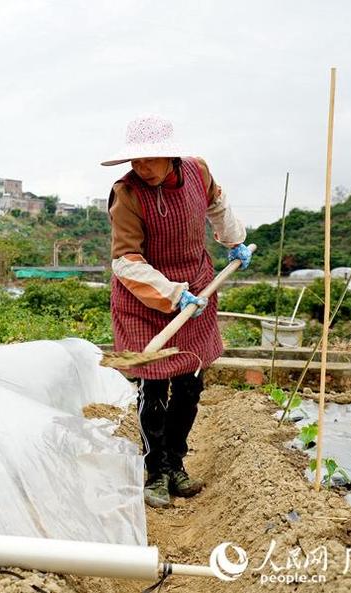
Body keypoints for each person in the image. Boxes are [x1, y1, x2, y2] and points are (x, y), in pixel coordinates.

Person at [101, 115, 251, 508]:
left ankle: (176, 464)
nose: (140, 167)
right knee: (153, 389)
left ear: (170, 155)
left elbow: (217, 205)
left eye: (149, 159)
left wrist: (235, 240)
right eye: (135, 160)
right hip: (144, 298)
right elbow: (125, 262)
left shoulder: (198, 172)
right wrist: (172, 294)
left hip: (198, 290)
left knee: (189, 386)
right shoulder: (127, 194)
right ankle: (155, 472)